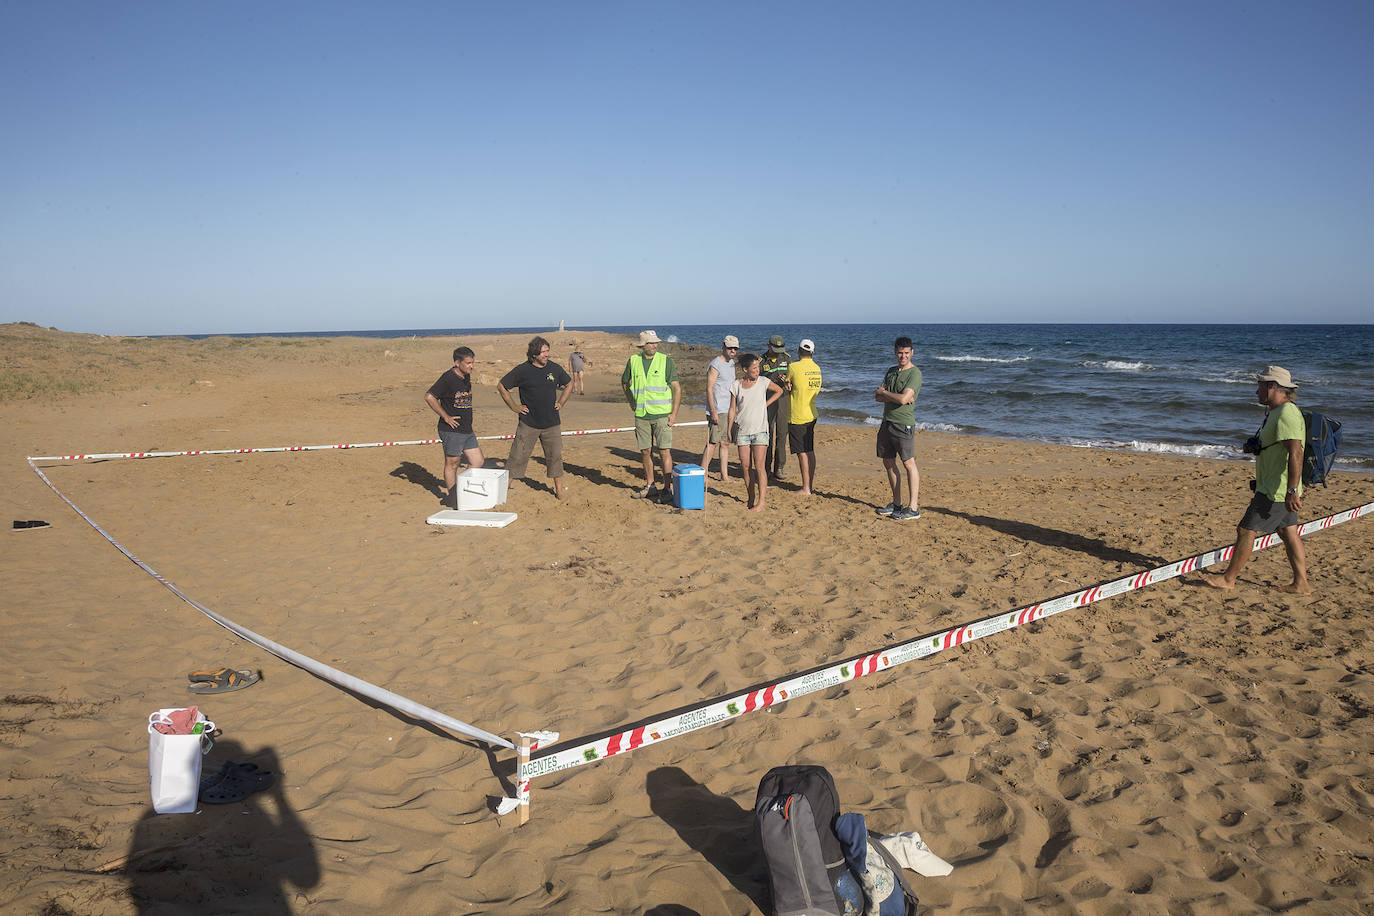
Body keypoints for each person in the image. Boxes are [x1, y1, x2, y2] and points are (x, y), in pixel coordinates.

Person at [1200, 366, 1310, 594]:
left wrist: (1291, 491)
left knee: (1245, 530)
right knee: (1288, 531)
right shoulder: (1276, 412)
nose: (1256, 392)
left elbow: (1296, 452)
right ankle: (1301, 583)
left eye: (1259, 387)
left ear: (1272, 387)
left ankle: (1229, 579)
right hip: (1275, 486)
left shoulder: (1287, 414)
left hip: (1276, 490)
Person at [496, 336, 572, 499]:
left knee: (555, 457)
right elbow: (502, 386)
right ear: (534, 354)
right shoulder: (522, 370)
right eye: (543, 352)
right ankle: (505, 489)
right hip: (528, 423)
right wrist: (514, 407)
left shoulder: (555, 369)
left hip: (551, 423)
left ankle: (559, 490)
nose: (547, 355)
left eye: (547, 351)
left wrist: (561, 402)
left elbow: (569, 384)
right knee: (517, 456)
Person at [621, 330, 681, 501]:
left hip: (662, 415)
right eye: (651, 343)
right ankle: (651, 486)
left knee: (664, 451)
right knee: (645, 451)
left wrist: (674, 414)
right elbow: (624, 382)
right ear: (643, 345)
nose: (655, 345)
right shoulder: (633, 361)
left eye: (656, 343)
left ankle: (667, 489)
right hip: (641, 414)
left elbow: (677, 388)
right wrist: (631, 402)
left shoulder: (665, 360)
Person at [424, 346, 484, 506]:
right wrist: (445, 416)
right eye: (468, 363)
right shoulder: (448, 378)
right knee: (452, 463)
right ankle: (452, 498)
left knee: (477, 461)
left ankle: (461, 490)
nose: (472, 366)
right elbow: (429, 397)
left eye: (473, 362)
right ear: (457, 363)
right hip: (451, 429)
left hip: (467, 429)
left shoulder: (465, 377)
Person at [727, 353, 784, 512]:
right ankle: (751, 498)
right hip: (743, 431)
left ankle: (761, 502)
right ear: (745, 369)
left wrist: (766, 404)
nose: (757, 370)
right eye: (754, 368)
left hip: (760, 430)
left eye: (758, 367)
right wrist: (728, 429)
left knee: (759, 466)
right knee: (745, 467)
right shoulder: (736, 385)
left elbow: (779, 391)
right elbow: (732, 409)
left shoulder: (764, 382)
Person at [874, 336, 922, 521]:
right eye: (900, 353)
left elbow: (903, 399)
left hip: (904, 424)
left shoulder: (914, 373)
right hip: (887, 422)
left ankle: (913, 508)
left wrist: (885, 393)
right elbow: (877, 396)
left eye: (906, 353)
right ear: (895, 352)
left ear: (912, 353)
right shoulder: (891, 371)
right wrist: (891, 395)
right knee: (888, 462)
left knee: (908, 463)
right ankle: (896, 504)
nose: (903, 356)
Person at [786, 338, 823, 495]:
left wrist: (787, 385)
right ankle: (810, 485)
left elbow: (788, 384)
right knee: (809, 450)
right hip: (812, 413)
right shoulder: (817, 368)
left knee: (802, 452)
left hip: (798, 414)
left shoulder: (793, 367)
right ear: (813, 352)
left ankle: (806, 488)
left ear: (798, 350)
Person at [700, 335, 739, 481]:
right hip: (717, 409)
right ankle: (703, 473)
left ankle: (725, 475)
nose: (733, 351)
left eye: (735, 348)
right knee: (712, 442)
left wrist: (735, 408)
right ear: (723, 346)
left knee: (725, 442)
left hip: (729, 408)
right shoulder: (715, 364)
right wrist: (713, 411)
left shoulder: (732, 363)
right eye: (730, 348)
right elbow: (709, 389)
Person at [760, 334, 792, 479]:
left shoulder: (786, 358)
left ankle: (779, 467)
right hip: (768, 398)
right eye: (775, 348)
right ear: (768, 345)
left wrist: (788, 381)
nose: (778, 352)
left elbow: (792, 378)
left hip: (784, 399)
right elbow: (756, 378)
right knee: (768, 433)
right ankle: (765, 467)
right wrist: (771, 379)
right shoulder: (761, 360)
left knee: (782, 433)